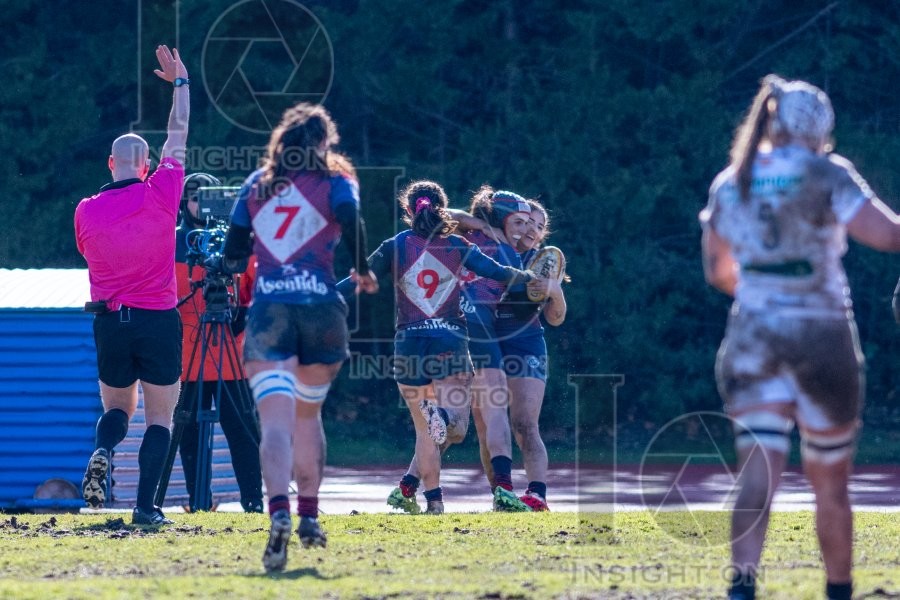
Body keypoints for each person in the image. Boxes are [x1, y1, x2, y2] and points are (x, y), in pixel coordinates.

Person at [700, 75, 900, 600]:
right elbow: (887, 237)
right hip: (822, 333)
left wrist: (765, 290)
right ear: (823, 128)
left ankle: (742, 585)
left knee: (758, 471)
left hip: (753, 334)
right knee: (830, 480)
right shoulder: (826, 172)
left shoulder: (731, 181)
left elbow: (718, 271)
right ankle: (838, 590)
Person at [222, 102, 377, 572]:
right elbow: (350, 217)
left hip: (270, 310)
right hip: (322, 308)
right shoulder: (336, 181)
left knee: (274, 423)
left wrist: (241, 265)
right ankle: (309, 515)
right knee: (308, 417)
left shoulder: (256, 185)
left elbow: (233, 250)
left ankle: (279, 516)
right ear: (324, 143)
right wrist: (362, 267)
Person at [338, 180, 532, 515]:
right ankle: (440, 414)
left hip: (409, 344)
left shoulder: (396, 244)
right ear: (443, 209)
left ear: (408, 211)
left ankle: (435, 502)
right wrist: (530, 278)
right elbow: (497, 272)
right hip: (449, 342)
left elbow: (360, 278)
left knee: (423, 430)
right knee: (453, 423)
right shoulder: (457, 245)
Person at [75, 45, 189, 527]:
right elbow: (177, 133)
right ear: (146, 165)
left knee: (118, 410)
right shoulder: (162, 191)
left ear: (110, 163)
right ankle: (146, 508)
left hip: (109, 321)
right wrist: (181, 85)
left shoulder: (84, 210)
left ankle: (103, 448)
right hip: (158, 319)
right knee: (159, 418)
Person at [450, 200, 568, 511]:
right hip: (485, 338)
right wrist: (481, 225)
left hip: (525, 343)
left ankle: (537, 494)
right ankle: (501, 497)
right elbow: (447, 217)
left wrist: (554, 291)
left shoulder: (543, 262)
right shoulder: (490, 243)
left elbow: (556, 318)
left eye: (539, 226)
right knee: (486, 424)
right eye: (526, 222)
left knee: (525, 424)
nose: (532, 230)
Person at [174, 173, 263, 513]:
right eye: (195, 195)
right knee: (189, 435)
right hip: (188, 357)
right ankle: (200, 502)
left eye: (209, 195)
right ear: (185, 201)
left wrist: (243, 314)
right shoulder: (174, 242)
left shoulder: (237, 241)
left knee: (242, 432)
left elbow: (254, 287)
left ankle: (253, 501)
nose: (201, 203)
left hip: (230, 355)